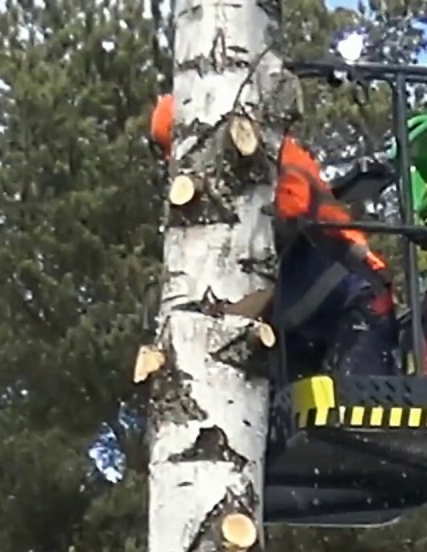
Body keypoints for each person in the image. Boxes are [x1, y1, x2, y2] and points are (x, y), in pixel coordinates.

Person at [149, 93, 401, 377]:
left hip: (354, 297)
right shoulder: (240, 194)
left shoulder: (274, 169)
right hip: (303, 329)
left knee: (358, 412)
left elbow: (279, 239)